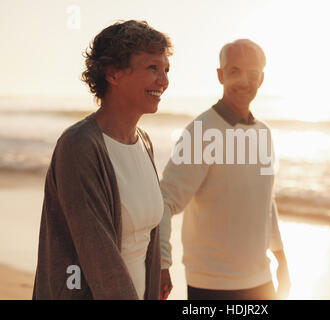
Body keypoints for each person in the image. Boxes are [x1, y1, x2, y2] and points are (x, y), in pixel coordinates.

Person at [32, 20, 172, 299]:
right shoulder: (79, 146)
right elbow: (98, 253)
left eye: (166, 70)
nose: (164, 81)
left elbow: (144, 241)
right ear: (113, 74)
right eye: (152, 68)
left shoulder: (143, 142)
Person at [159, 39, 291, 300]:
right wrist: (163, 264)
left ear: (261, 79)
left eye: (252, 74)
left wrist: (281, 259)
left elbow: (266, 203)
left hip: (261, 280)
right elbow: (164, 201)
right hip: (212, 285)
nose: (244, 81)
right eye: (234, 71)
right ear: (220, 75)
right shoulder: (201, 132)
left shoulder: (263, 133)